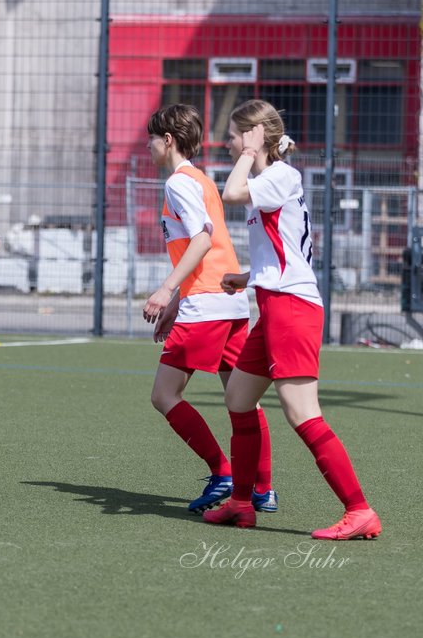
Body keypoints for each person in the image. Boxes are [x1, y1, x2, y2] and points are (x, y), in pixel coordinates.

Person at [203, 99, 381, 540]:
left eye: (233, 134)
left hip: (292, 310)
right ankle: (242, 504)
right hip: (274, 305)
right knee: (239, 400)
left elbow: (231, 194)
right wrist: (247, 277)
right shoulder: (273, 178)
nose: (226, 142)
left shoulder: (280, 175)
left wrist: (248, 153)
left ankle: (359, 510)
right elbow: (287, 249)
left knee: (303, 414)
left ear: (254, 134)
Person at [141, 104, 274, 514]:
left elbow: (200, 240)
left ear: (167, 140)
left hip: (209, 305)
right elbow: (211, 249)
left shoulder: (179, 183)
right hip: (229, 302)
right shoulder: (202, 180)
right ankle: (262, 489)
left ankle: (223, 472)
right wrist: (178, 301)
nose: (148, 146)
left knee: (165, 395)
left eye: (152, 137)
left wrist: (167, 290)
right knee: (242, 398)